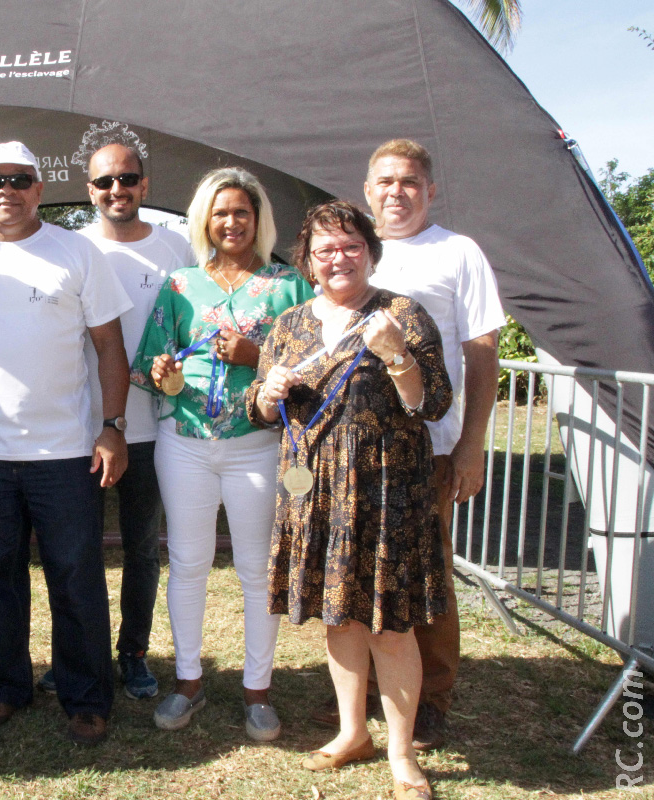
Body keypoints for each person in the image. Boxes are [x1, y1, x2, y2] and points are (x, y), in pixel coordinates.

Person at [249, 200, 452, 800]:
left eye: (350, 246)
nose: (338, 257)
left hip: (387, 490)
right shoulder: (289, 326)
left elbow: (431, 403)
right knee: (339, 616)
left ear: (368, 250)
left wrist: (396, 354)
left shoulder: (401, 314)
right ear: (308, 261)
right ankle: (351, 731)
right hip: (315, 492)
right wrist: (268, 391)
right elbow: (260, 411)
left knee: (390, 625)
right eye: (325, 250)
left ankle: (400, 753)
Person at [0, 141, 132, 746]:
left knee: (74, 576)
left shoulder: (76, 252)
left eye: (20, 178)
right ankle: (3, 689)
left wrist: (113, 427)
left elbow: (109, 346)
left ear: (40, 189)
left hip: (65, 452)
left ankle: (86, 696)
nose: (7, 190)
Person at [131, 167, 311, 740]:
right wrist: (165, 374)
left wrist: (255, 354)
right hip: (183, 444)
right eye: (220, 212)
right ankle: (188, 683)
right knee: (187, 563)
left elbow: (312, 368)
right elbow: (151, 365)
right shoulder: (180, 284)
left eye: (242, 211)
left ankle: (258, 691)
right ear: (204, 219)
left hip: (257, 445)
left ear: (258, 220)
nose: (230, 222)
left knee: (257, 570)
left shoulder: (289, 286)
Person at [35, 142, 194, 701]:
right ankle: (74, 655)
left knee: (141, 548)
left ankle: (133, 654)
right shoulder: (69, 249)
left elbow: (196, 331)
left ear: (145, 186)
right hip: (82, 429)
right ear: (89, 189)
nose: (116, 190)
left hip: (154, 430)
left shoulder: (177, 248)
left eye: (128, 179)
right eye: (105, 182)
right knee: (72, 552)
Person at [361, 138, 505, 750]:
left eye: (410, 182)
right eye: (386, 181)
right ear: (368, 190)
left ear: (430, 190)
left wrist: (470, 446)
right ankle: (368, 691)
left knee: (426, 573)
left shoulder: (458, 252)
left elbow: (483, 352)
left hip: (432, 444)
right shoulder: (352, 249)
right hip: (358, 449)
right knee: (361, 569)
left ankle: (432, 699)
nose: (397, 192)